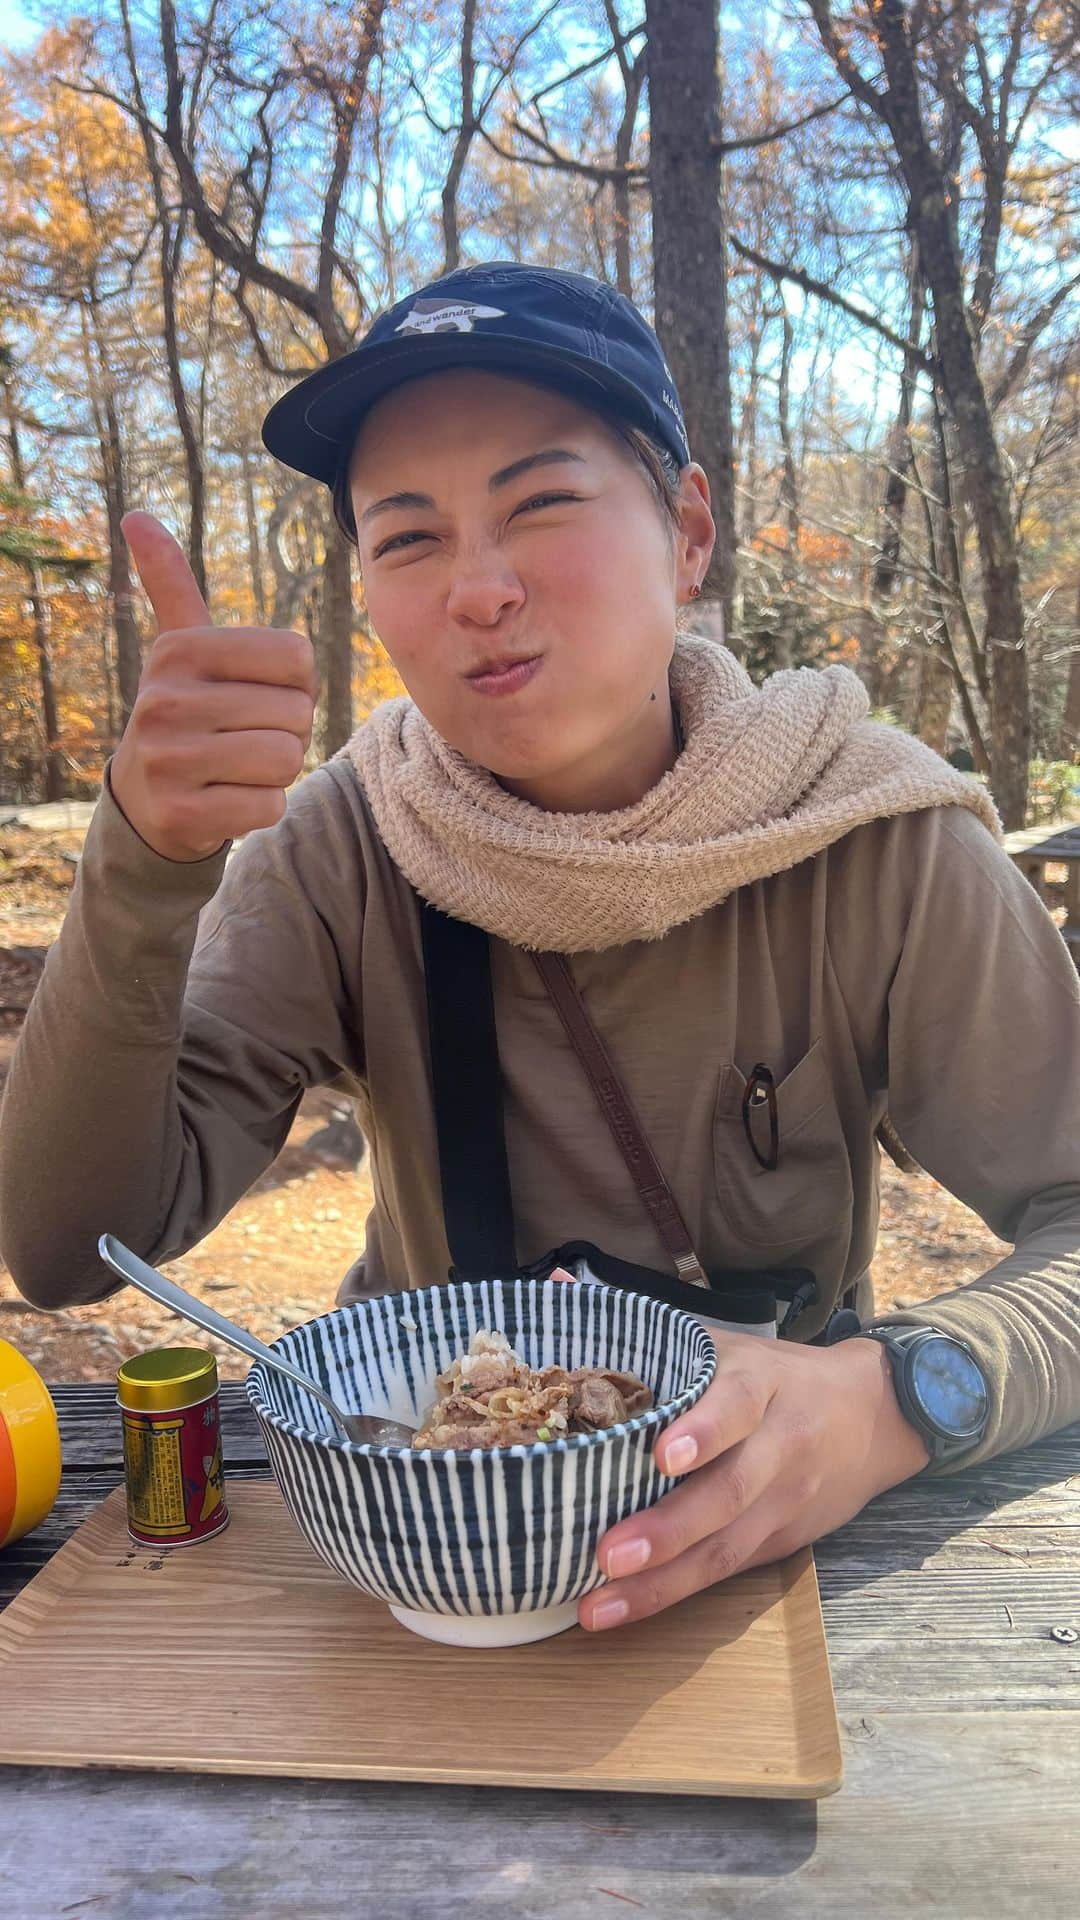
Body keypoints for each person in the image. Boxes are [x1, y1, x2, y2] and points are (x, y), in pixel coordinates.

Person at [2, 262, 1078, 1636]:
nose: (481, 590)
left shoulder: (872, 837)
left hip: (769, 1564)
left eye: (543, 504)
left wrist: (904, 1392)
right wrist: (144, 868)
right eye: (408, 540)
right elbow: (67, 1245)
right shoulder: (344, 848)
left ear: (688, 531)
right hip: (415, 1561)